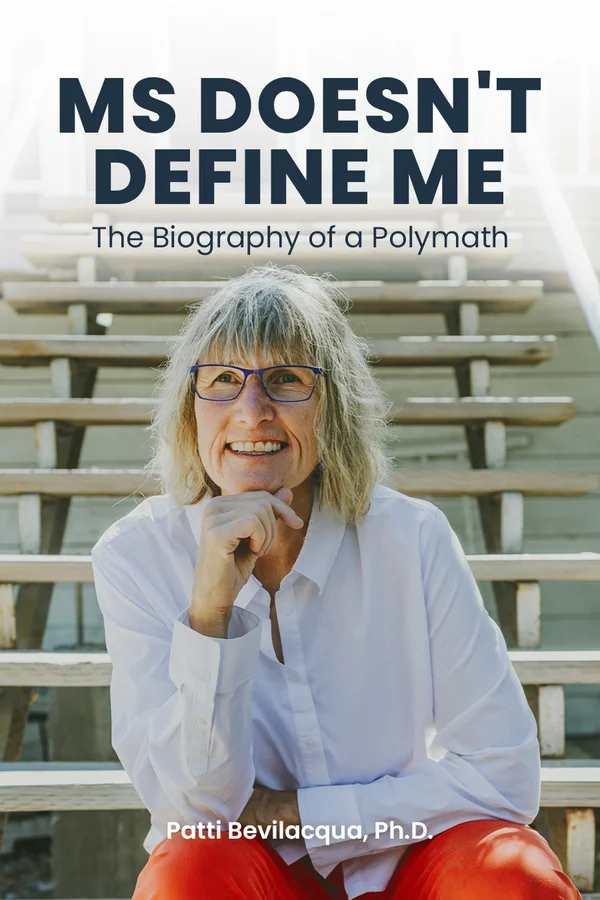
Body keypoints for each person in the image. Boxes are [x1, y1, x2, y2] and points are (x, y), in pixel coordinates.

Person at [91, 266, 581, 900]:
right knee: (190, 873)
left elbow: (504, 775)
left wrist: (294, 813)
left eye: (287, 380)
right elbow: (197, 811)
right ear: (190, 409)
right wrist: (209, 615)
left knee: (512, 869)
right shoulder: (136, 556)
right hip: (254, 875)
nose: (252, 411)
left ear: (335, 407)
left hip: (405, 860)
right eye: (222, 381)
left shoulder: (412, 538)